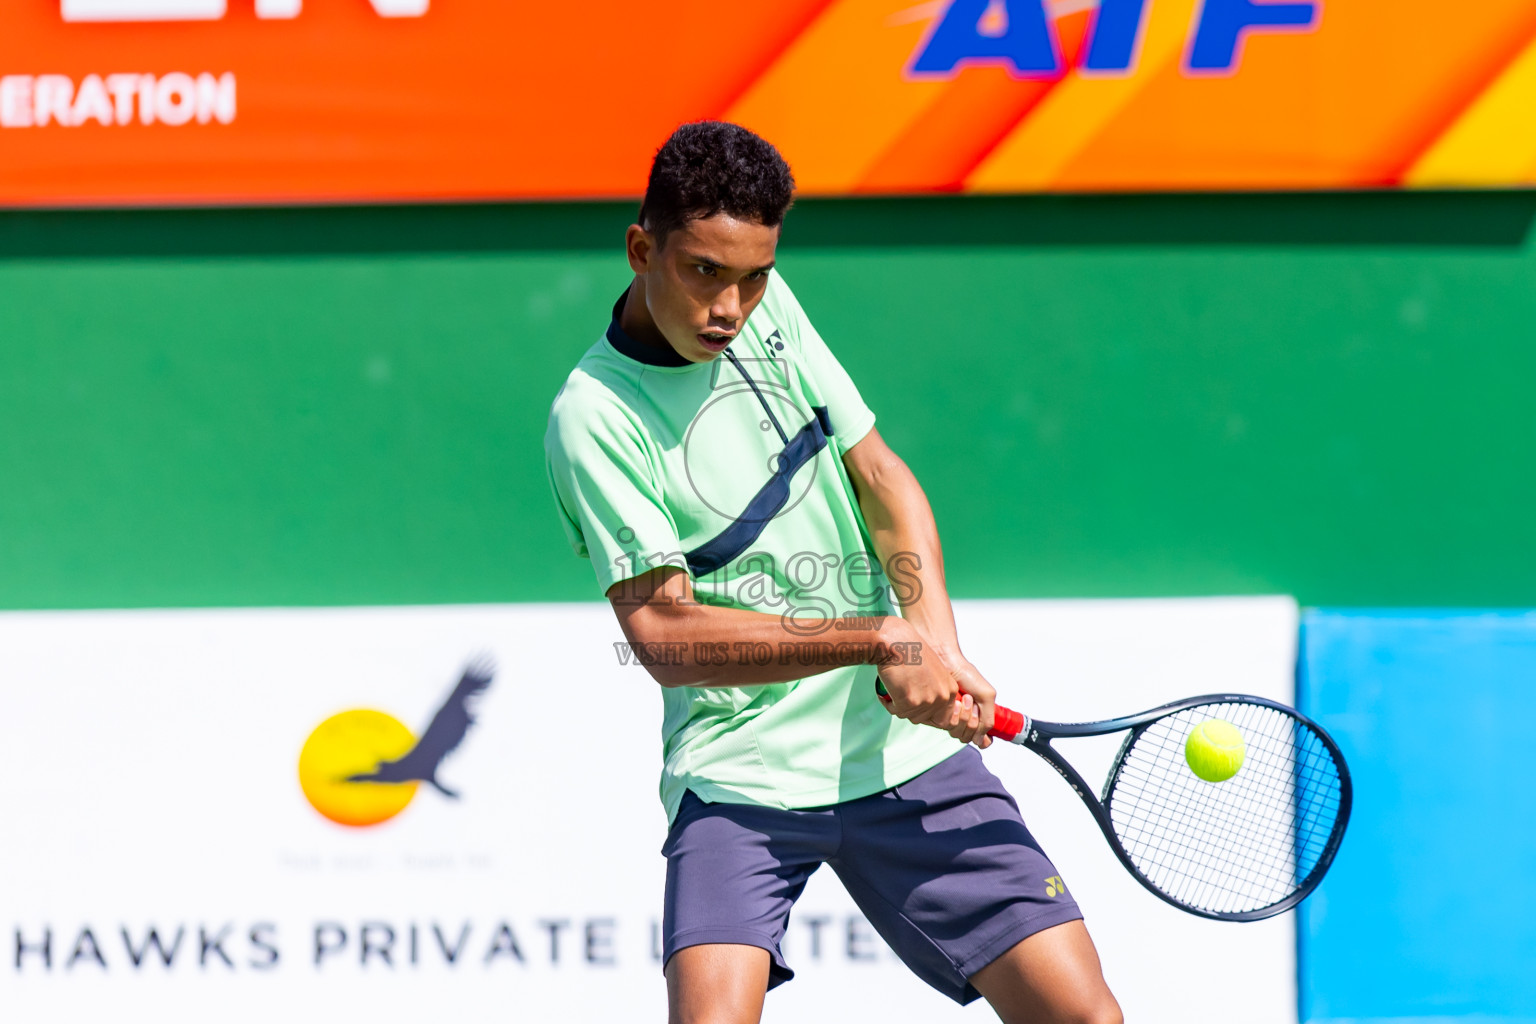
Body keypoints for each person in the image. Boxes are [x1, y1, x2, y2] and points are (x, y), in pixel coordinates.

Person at [544, 120, 1122, 1024]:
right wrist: (877, 637)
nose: (729, 308)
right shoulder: (594, 416)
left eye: (753, 276)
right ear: (641, 248)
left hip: (906, 755)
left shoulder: (767, 311)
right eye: (703, 272)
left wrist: (939, 646)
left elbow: (882, 476)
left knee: (1082, 1018)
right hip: (744, 773)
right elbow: (663, 634)